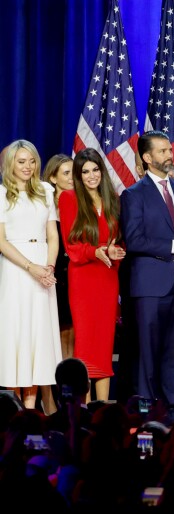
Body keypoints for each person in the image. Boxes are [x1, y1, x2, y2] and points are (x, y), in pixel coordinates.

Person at [121, 131, 174, 417]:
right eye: (163, 151)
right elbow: (133, 240)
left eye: (170, 150)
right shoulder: (133, 195)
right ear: (147, 158)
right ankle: (146, 408)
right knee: (147, 350)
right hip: (149, 286)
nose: (170, 155)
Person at [58, 149, 126, 402]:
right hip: (84, 279)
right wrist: (95, 251)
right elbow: (70, 245)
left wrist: (116, 251)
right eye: (85, 171)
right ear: (78, 175)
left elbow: (119, 239)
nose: (91, 175)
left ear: (102, 171)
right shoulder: (69, 198)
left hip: (108, 278)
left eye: (95, 169)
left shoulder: (113, 199)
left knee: (105, 344)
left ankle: (103, 408)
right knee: (86, 345)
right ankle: (82, 410)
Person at [0, 140, 62, 409]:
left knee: (39, 335)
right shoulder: (1, 194)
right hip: (16, 270)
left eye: (32, 161)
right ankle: (13, 411)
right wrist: (30, 267)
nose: (28, 166)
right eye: (21, 161)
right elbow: (1, 241)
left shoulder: (46, 191)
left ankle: (31, 410)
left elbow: (52, 235)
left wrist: (48, 267)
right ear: (10, 164)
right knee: (17, 334)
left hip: (43, 272)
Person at [43, 154, 75, 360]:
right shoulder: (45, 206)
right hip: (54, 275)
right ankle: (54, 389)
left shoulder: (80, 203)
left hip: (77, 274)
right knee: (57, 331)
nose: (72, 177)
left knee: (73, 332)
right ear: (53, 178)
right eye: (66, 173)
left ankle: (73, 386)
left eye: (74, 172)